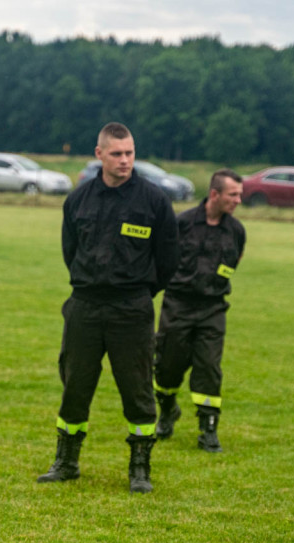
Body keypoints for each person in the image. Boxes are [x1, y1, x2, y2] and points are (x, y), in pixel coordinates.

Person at [37, 122, 179, 493]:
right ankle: (66, 462)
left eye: (130, 153)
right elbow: (71, 252)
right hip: (84, 306)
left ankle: (140, 468)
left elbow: (168, 260)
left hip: (131, 308)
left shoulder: (154, 201)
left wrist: (139, 292)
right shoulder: (79, 200)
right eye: (117, 153)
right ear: (99, 154)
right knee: (75, 384)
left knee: (137, 389)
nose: (125, 160)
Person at [153, 169, 246, 452]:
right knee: (168, 367)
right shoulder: (181, 223)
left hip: (212, 308)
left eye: (240, 194)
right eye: (233, 194)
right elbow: (162, 258)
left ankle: (208, 429)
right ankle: (168, 411)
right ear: (215, 194)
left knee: (208, 367)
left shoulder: (236, 231)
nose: (238, 200)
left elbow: (235, 261)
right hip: (178, 306)